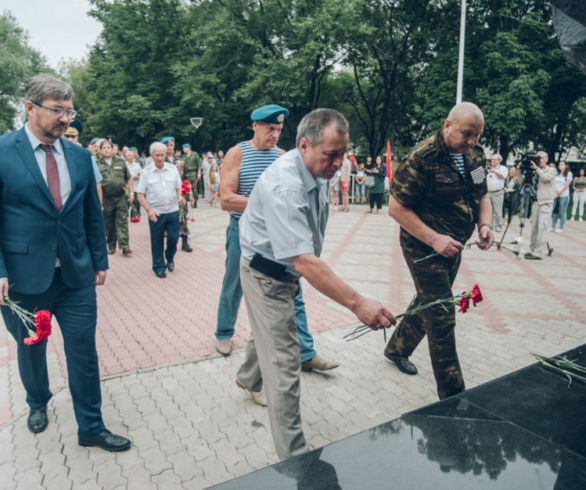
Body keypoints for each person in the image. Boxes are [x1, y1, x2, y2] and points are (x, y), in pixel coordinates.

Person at [236, 108, 396, 459]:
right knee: (285, 366)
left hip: (284, 271)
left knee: (267, 333)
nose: (339, 163)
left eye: (343, 153)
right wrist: (357, 303)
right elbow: (305, 260)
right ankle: (295, 463)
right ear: (305, 146)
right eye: (332, 155)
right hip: (266, 275)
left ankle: (247, 377)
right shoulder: (284, 184)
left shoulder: (315, 168)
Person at [0, 74, 130, 451]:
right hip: (25, 283)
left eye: (69, 111)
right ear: (30, 107)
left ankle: (91, 426)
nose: (65, 119)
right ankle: (37, 401)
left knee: (83, 351)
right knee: (33, 346)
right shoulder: (4, 152)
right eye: (57, 110)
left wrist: (99, 258)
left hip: (75, 277)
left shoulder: (79, 155)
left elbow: (91, 212)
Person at [214, 104, 338, 376]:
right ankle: (224, 332)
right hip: (243, 232)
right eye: (270, 128)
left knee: (294, 288)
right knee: (233, 283)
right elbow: (226, 200)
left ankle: (306, 352)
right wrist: (266, 205)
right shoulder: (237, 154)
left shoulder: (283, 156)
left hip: (278, 235)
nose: (275, 134)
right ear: (255, 126)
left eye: (279, 130)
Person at [383, 102, 493, 400]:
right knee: (442, 313)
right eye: (466, 134)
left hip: (453, 247)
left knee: (429, 301)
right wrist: (434, 240)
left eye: (477, 136)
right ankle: (453, 395)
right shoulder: (421, 159)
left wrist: (485, 225)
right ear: (447, 125)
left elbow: (482, 196)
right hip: (423, 246)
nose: (471, 141)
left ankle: (396, 349)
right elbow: (396, 207)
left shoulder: (476, 156)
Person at [137, 142, 185, 278]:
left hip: (172, 210)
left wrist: (180, 197)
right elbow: (140, 195)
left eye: (162, 155)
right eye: (157, 155)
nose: (160, 158)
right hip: (156, 212)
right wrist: (149, 210)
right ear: (151, 155)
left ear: (166, 154)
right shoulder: (146, 172)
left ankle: (169, 257)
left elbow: (178, 187)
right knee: (157, 241)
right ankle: (159, 266)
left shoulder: (172, 169)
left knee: (174, 238)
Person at [95, 139, 133, 256]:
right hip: (106, 198)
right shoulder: (97, 164)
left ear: (113, 150)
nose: (106, 150)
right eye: (104, 148)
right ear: (100, 151)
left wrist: (131, 193)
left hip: (120, 196)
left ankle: (125, 246)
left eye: (108, 147)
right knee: (109, 223)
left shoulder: (121, 162)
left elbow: (129, 178)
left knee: (122, 221)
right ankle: (111, 245)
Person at [524, 151, 556, 260]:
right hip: (536, 202)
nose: (539, 160)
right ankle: (532, 249)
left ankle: (538, 253)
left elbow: (546, 178)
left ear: (546, 159)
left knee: (542, 228)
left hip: (546, 202)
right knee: (534, 228)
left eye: (541, 158)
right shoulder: (534, 170)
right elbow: (523, 182)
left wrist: (536, 169)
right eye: (537, 158)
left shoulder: (551, 170)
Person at [63, 118, 103, 203]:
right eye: (67, 136)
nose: (70, 139)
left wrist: (99, 207)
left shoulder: (85, 156)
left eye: (73, 136)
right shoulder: (53, 154)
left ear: (77, 137)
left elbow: (97, 184)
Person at [486, 154, 508, 232]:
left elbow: (503, 176)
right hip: (489, 192)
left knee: (498, 210)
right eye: (491, 159)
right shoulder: (488, 169)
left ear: (499, 161)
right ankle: (489, 226)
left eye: (494, 159)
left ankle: (499, 226)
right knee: (488, 210)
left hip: (498, 192)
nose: (492, 161)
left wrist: (494, 171)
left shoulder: (503, 168)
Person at [551, 161, 573, 232]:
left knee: (562, 211)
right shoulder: (557, 173)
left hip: (564, 195)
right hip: (556, 194)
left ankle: (561, 227)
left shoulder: (569, 174)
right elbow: (553, 182)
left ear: (566, 166)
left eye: (562, 164)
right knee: (555, 210)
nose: (560, 166)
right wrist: (556, 191)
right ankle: (552, 226)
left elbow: (567, 185)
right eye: (560, 164)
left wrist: (560, 192)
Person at [125, 150, 142, 222]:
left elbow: (142, 174)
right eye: (129, 156)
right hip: (126, 188)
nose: (131, 157)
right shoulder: (124, 164)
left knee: (136, 202)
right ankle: (125, 216)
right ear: (126, 157)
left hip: (136, 186)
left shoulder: (137, 165)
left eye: (132, 156)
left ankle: (134, 216)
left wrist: (138, 177)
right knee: (126, 202)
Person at [182, 143, 201, 208]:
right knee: (187, 188)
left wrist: (199, 173)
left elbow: (199, 164)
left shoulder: (195, 154)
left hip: (193, 173)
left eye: (184, 148)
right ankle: (189, 200)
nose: (183, 149)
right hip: (186, 174)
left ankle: (195, 201)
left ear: (188, 148)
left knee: (194, 188)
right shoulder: (184, 156)